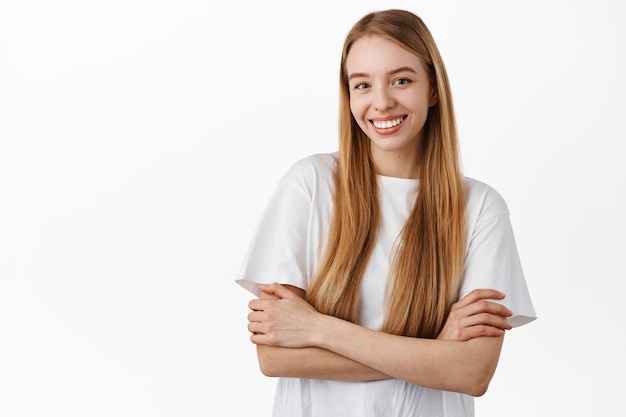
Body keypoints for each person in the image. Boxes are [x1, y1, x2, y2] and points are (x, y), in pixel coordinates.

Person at [236, 8, 536, 417]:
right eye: (362, 84)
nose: (381, 102)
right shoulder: (309, 185)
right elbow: (277, 357)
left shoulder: (480, 209)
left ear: (432, 88)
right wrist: (435, 353)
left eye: (401, 80)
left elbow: (472, 372)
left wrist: (317, 329)